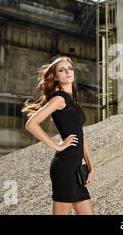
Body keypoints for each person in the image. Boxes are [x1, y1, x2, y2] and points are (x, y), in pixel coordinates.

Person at [23, 56, 95, 215]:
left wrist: (91, 166)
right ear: (55, 77)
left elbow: (80, 135)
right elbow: (31, 124)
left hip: (76, 169)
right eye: (61, 70)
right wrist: (58, 145)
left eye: (70, 68)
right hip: (64, 168)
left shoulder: (73, 100)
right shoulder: (59, 99)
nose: (67, 72)